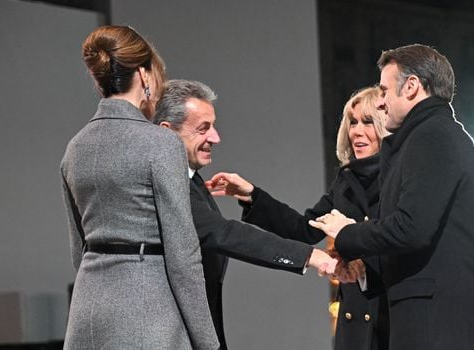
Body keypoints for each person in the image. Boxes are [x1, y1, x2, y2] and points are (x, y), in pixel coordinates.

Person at [309, 44, 474, 350]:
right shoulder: (426, 137)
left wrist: (346, 233)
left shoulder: (432, 136)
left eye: (385, 91)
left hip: (441, 330)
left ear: (412, 87)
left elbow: (410, 227)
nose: (381, 103)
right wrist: (365, 272)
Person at [60, 26, 218, 349]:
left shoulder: (74, 149)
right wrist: (208, 343)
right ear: (144, 75)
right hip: (149, 316)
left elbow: (80, 252)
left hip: (86, 319)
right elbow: (183, 258)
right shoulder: (161, 145)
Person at [152, 79, 338, 349]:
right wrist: (310, 256)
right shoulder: (170, 184)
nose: (215, 138)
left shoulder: (192, 181)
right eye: (204, 129)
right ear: (167, 133)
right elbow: (222, 233)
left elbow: (302, 228)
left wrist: (252, 195)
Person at [206, 86, 391, 350]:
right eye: (352, 123)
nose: (356, 131)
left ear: (385, 126)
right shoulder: (345, 182)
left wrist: (361, 262)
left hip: (389, 314)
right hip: (354, 318)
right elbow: (304, 229)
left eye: (368, 122)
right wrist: (252, 195)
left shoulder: (400, 179)